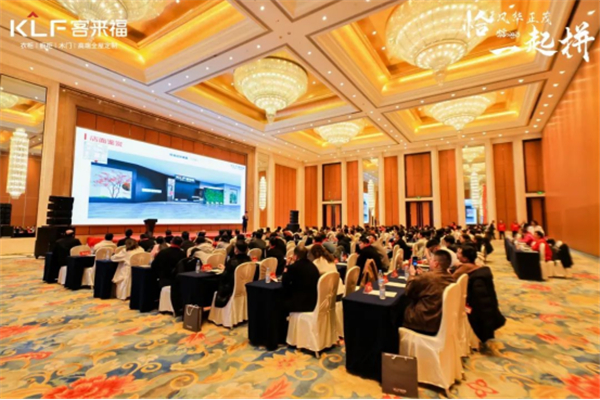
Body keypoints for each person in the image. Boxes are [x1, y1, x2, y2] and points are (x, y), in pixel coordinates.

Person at [454, 245, 505, 343]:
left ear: (465, 258)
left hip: (470, 308)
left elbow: (450, 280)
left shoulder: (464, 268)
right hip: (482, 308)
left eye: (459, 253)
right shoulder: (476, 267)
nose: (457, 254)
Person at [402, 250, 455, 336]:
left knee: (400, 306)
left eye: (431, 260)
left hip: (424, 320)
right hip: (439, 319)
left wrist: (412, 275)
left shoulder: (428, 277)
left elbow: (408, 291)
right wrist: (422, 275)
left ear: (436, 264)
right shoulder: (451, 277)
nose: (429, 262)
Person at [282, 246, 320, 312]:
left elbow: (284, 282)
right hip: (314, 302)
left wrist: (287, 264)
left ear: (295, 256)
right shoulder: (313, 266)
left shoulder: (293, 268)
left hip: (300, 304)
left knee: (278, 300)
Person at [214, 241, 251, 308]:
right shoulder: (249, 260)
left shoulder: (232, 261)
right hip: (245, 287)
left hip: (232, 288)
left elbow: (225, 277)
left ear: (236, 250)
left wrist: (225, 269)